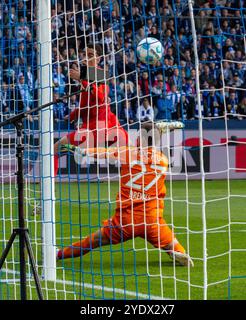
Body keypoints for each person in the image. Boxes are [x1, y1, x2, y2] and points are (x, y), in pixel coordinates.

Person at [56, 121, 193, 267]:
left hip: (125, 222)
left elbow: (103, 152)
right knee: (175, 246)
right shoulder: (163, 160)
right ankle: (176, 252)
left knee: (92, 241)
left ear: (140, 138)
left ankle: (58, 254)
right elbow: (150, 149)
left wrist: (81, 151)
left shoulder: (127, 153)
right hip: (152, 221)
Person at [53, 44, 129, 173]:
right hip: (104, 126)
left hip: (99, 127)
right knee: (127, 156)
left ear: (98, 59)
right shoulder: (91, 76)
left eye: (90, 55)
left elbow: (100, 98)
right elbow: (86, 106)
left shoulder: (100, 75)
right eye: (84, 55)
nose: (86, 58)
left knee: (54, 149)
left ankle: (83, 152)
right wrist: (72, 116)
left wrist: (81, 79)